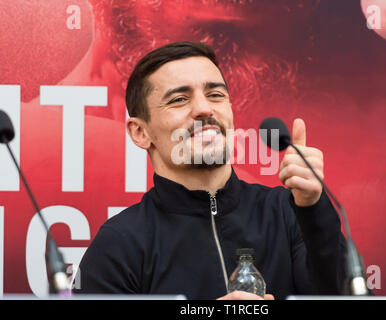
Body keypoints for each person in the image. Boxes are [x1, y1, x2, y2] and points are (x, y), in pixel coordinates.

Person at [73, 41, 347, 300]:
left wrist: (312, 209)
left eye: (215, 95)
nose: (204, 109)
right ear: (141, 132)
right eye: (179, 99)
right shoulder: (120, 243)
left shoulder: (288, 213)